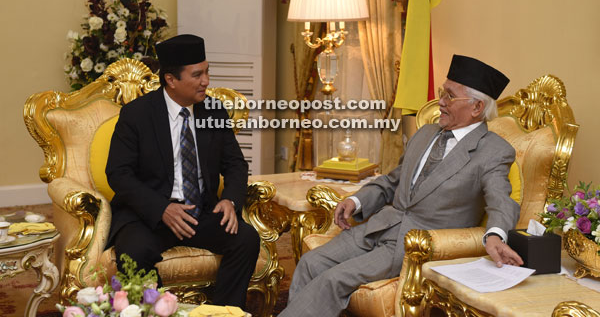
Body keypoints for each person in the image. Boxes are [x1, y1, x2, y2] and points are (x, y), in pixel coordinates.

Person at [280, 55, 523, 317]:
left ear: (476, 107)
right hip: (378, 226)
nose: (440, 101)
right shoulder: (425, 134)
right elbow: (393, 180)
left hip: (413, 246)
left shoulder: (494, 151)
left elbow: (501, 199)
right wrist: (357, 201)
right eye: (443, 92)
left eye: (450, 96)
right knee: (310, 263)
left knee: (333, 280)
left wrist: (496, 235)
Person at [105, 34, 259, 308]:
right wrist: (161, 208)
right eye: (197, 74)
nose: (206, 81)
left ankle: (220, 313)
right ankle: (162, 312)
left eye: (207, 71)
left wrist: (231, 200)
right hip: (150, 215)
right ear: (171, 79)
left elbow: (235, 164)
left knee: (246, 239)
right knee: (134, 252)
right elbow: (119, 173)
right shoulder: (137, 114)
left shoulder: (213, 111)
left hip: (199, 211)